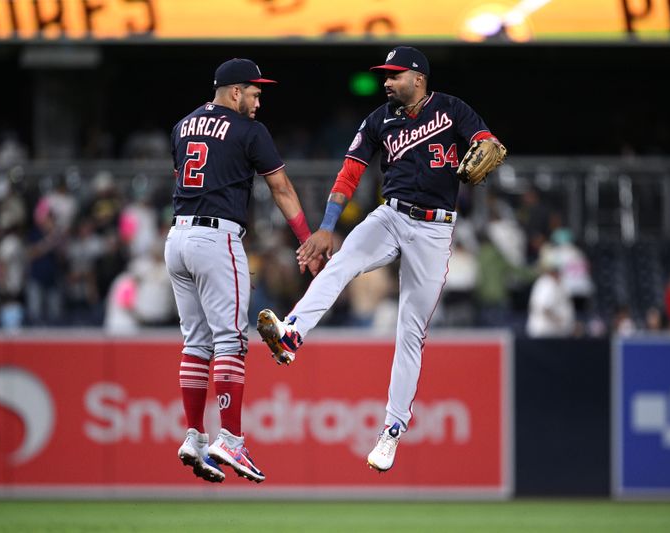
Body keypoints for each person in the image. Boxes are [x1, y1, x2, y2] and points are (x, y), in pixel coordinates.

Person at [256, 46, 506, 473]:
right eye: (384, 76)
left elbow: (487, 143)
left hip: (433, 229)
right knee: (342, 260)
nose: (386, 82)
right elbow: (350, 171)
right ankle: (292, 334)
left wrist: (485, 143)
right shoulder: (379, 120)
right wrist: (328, 225)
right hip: (391, 214)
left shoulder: (450, 108)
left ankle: (390, 432)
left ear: (418, 78)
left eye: (394, 75)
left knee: (410, 330)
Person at [165, 58, 317, 484]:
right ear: (234, 92)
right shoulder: (249, 130)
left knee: (196, 343)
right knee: (230, 340)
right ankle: (229, 437)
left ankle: (194, 436)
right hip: (216, 238)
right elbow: (281, 187)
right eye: (253, 92)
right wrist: (306, 237)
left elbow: (183, 176)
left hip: (177, 238)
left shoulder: (182, 126)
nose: (257, 100)